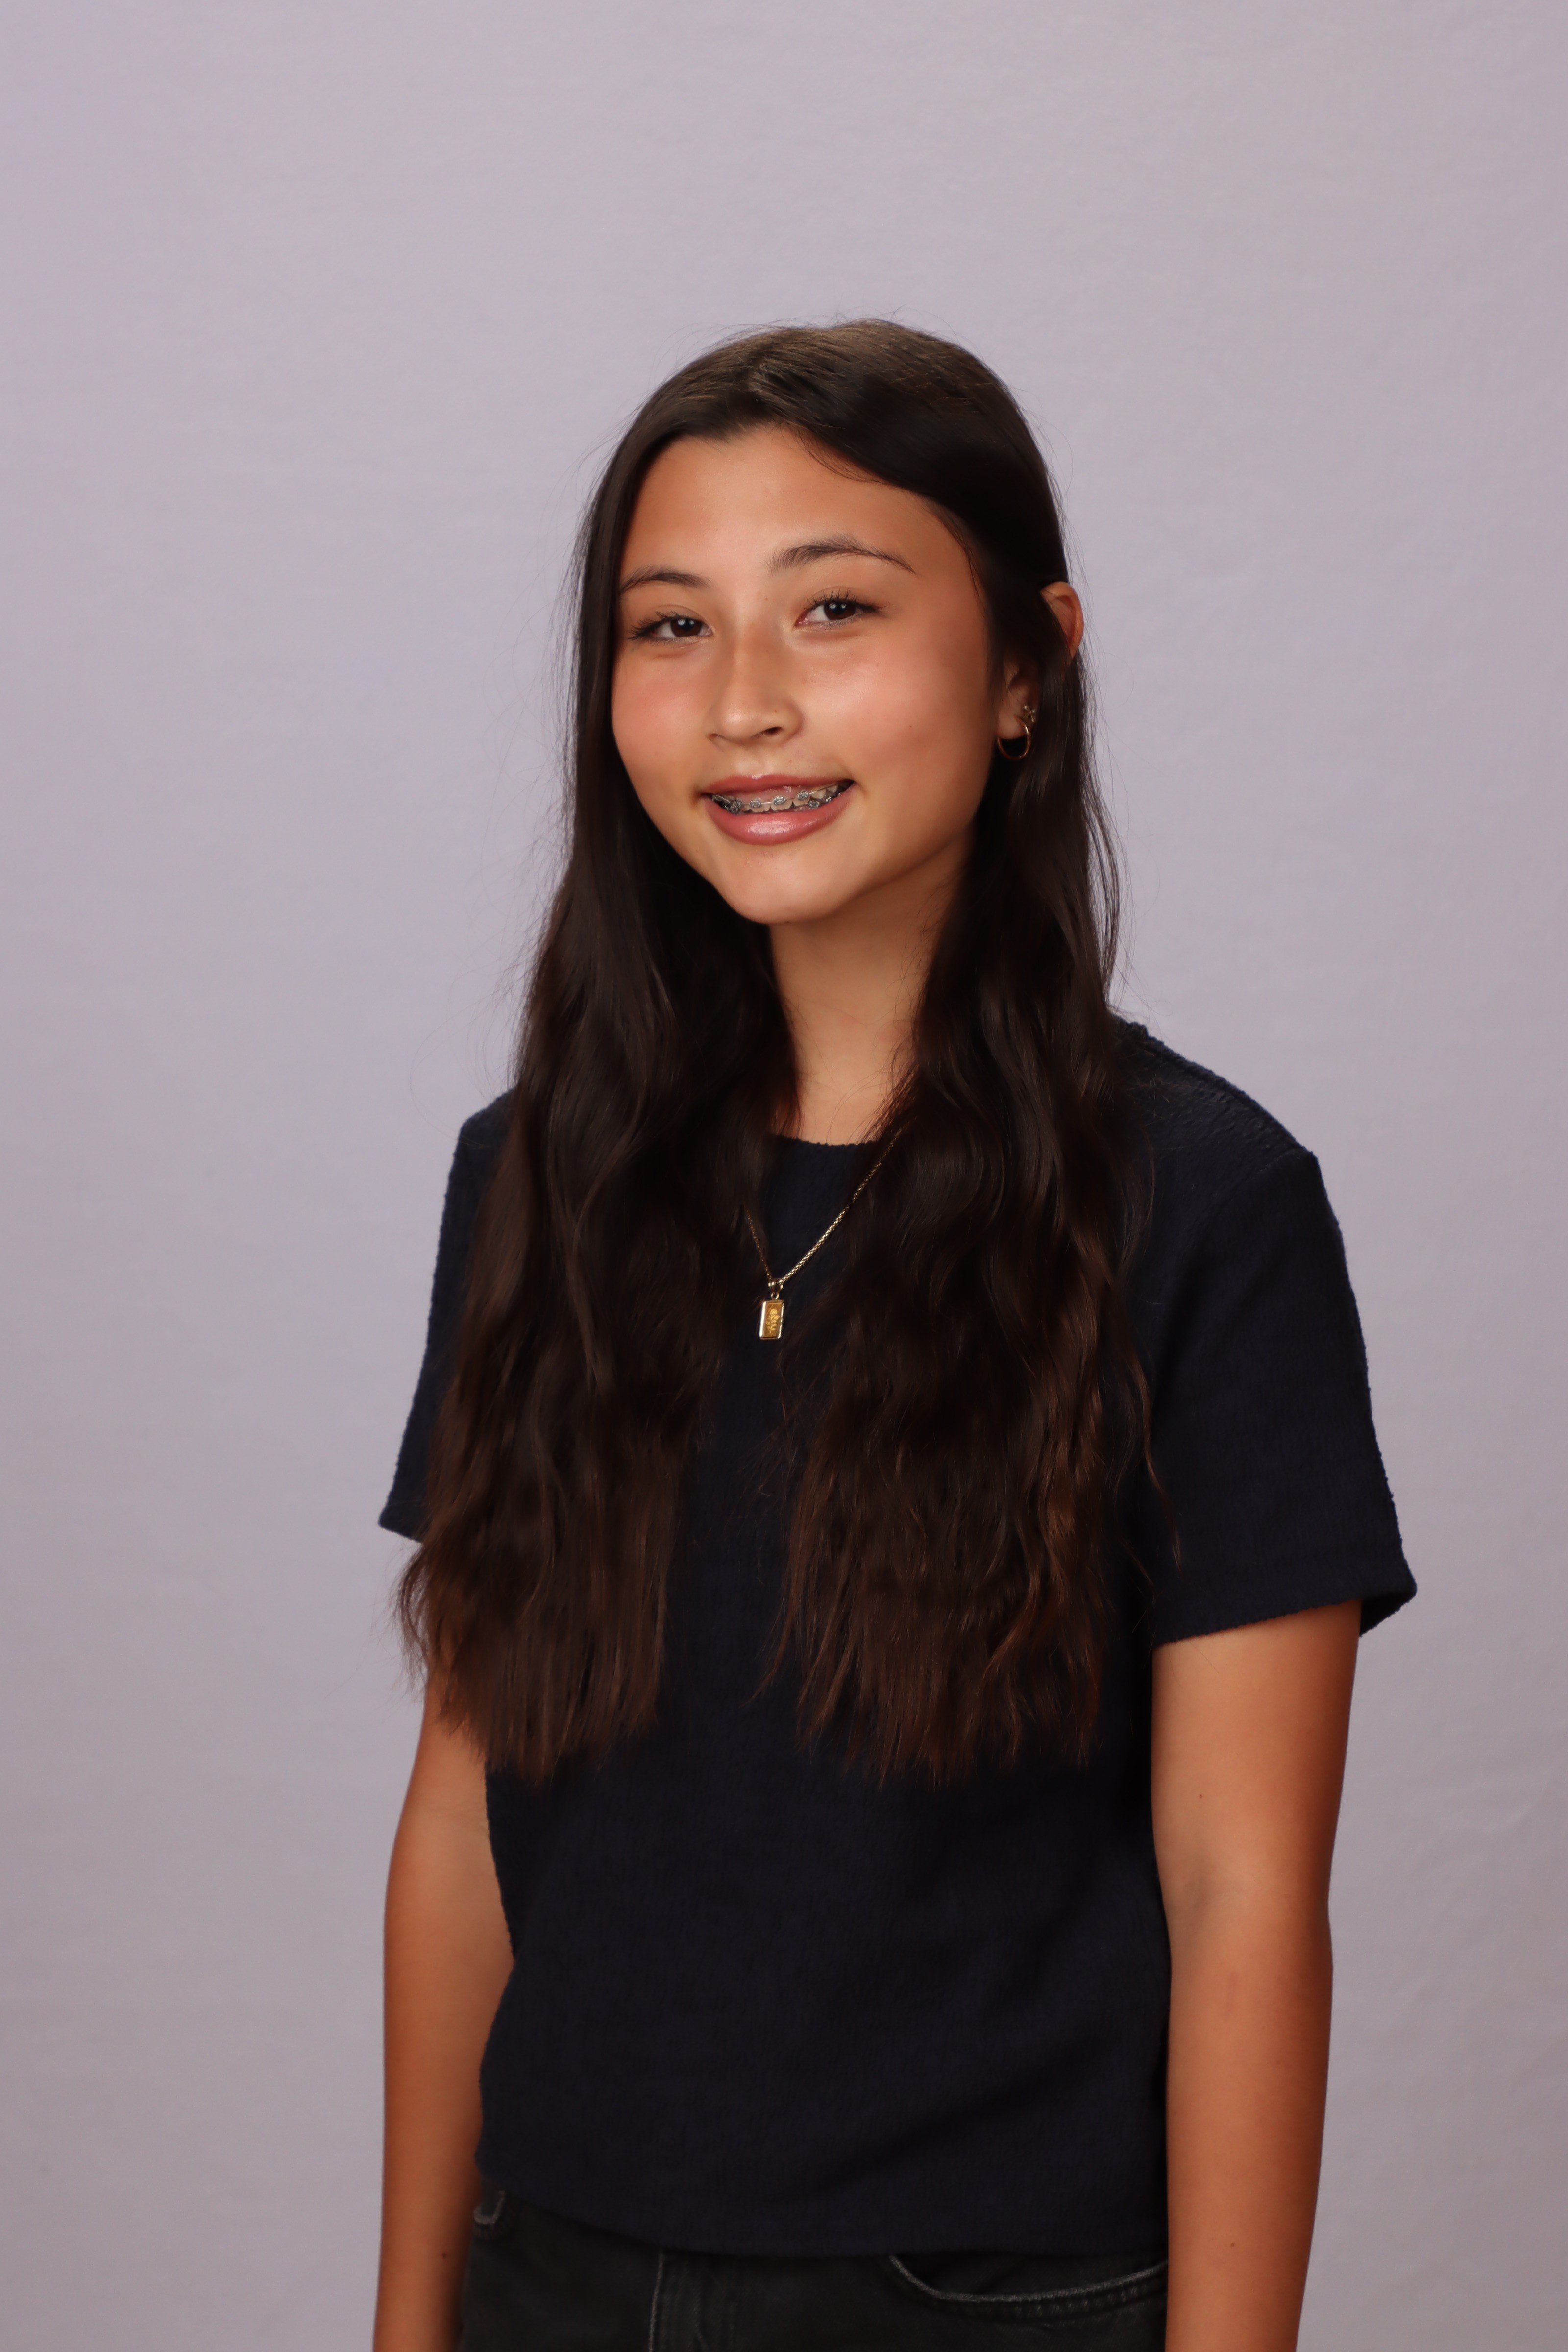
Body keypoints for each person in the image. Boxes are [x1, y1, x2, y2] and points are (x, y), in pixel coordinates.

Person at [371, 321, 1413, 2352]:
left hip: (996, 2298)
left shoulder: (1201, 1203)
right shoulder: (534, 1180)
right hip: (547, 2270)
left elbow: (1242, 1891)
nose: (742, 702)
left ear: (1028, 667)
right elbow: (462, 1823)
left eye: (833, 608)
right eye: (669, 626)